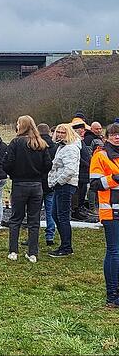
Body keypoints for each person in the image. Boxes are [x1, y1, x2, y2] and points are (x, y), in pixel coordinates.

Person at [4, 115, 52, 263]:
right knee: (34, 220)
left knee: (15, 219)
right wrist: (39, 174)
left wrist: (13, 174)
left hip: (19, 185)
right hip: (36, 186)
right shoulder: (41, 143)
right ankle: (33, 253)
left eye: (18, 124)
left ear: (21, 126)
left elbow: (7, 164)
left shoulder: (15, 143)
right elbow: (48, 165)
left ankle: (13, 251)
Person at [89, 122, 119, 307]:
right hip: (111, 211)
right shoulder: (100, 156)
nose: (117, 137)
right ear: (106, 137)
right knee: (114, 252)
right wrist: (114, 178)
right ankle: (112, 294)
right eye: (114, 134)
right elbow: (94, 184)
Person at [47, 124, 81, 258]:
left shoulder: (70, 149)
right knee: (55, 214)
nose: (60, 134)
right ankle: (64, 244)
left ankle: (66, 247)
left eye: (63, 132)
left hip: (65, 185)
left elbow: (69, 170)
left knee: (62, 216)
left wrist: (57, 181)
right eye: (58, 132)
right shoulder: (62, 147)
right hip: (61, 185)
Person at [38, 123, 58, 245]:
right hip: (51, 182)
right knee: (50, 211)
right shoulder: (55, 147)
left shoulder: (36, 146)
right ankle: (50, 236)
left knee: (34, 211)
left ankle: (32, 236)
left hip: (38, 182)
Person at [71, 117, 93, 221]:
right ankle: (76, 211)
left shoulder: (80, 140)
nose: (83, 132)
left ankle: (80, 208)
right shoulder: (74, 142)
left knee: (82, 191)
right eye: (82, 130)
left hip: (84, 172)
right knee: (78, 193)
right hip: (80, 171)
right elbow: (77, 157)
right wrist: (87, 163)